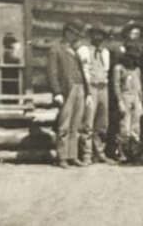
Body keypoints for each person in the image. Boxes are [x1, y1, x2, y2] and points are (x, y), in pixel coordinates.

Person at [47, 20, 92, 168]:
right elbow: (52, 73)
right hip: (67, 90)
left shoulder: (77, 50)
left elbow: (83, 72)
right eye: (74, 34)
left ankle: (73, 156)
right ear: (67, 32)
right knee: (64, 125)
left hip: (80, 88)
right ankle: (62, 157)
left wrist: (88, 92)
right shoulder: (56, 49)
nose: (77, 37)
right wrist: (57, 92)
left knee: (76, 124)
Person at [76, 23, 115, 165]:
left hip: (103, 87)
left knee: (102, 123)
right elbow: (84, 70)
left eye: (101, 35)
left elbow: (106, 71)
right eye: (95, 34)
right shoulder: (84, 50)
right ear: (91, 36)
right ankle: (87, 154)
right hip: (90, 88)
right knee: (88, 123)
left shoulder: (105, 53)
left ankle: (100, 152)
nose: (98, 37)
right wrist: (87, 91)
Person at [112, 45, 143, 162]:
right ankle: (122, 152)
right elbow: (116, 86)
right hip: (125, 97)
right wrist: (120, 101)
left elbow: (139, 87)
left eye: (134, 58)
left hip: (135, 97)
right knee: (124, 126)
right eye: (130, 57)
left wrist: (140, 102)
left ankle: (135, 151)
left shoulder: (137, 69)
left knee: (136, 126)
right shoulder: (119, 68)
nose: (132, 60)